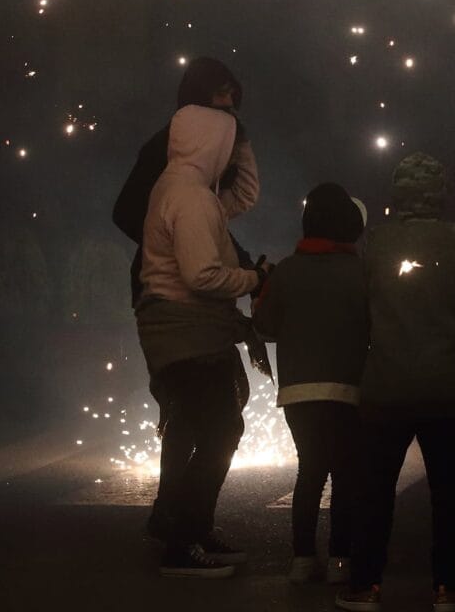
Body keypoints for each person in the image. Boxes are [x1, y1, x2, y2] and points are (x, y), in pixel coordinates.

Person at [336, 153, 455, 612]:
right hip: (448, 387)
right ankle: (447, 588)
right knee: (451, 494)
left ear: (397, 194)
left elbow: (360, 302)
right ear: (440, 192)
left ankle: (365, 585)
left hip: (386, 387)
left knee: (375, 491)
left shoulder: (375, 243)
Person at [135, 105, 271, 578]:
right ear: (210, 144)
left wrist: (244, 138)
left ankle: (190, 528)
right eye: (229, 144)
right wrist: (253, 278)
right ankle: (182, 540)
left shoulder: (186, 188)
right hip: (186, 334)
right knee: (218, 433)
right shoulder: (190, 198)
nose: (232, 155)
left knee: (210, 431)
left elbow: (244, 195)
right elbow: (201, 274)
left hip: (186, 333)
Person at [255, 183, 370, 586]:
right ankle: (342, 559)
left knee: (311, 470)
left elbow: (265, 326)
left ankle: (303, 559)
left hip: (299, 391)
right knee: (345, 472)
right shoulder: (361, 272)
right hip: (348, 387)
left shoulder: (286, 271)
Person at [113, 57, 257, 305]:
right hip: (168, 297)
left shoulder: (206, 165)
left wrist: (238, 139)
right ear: (199, 96)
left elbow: (241, 197)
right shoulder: (163, 150)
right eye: (222, 94)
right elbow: (126, 213)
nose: (229, 103)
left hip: (189, 297)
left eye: (232, 95)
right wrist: (174, 247)